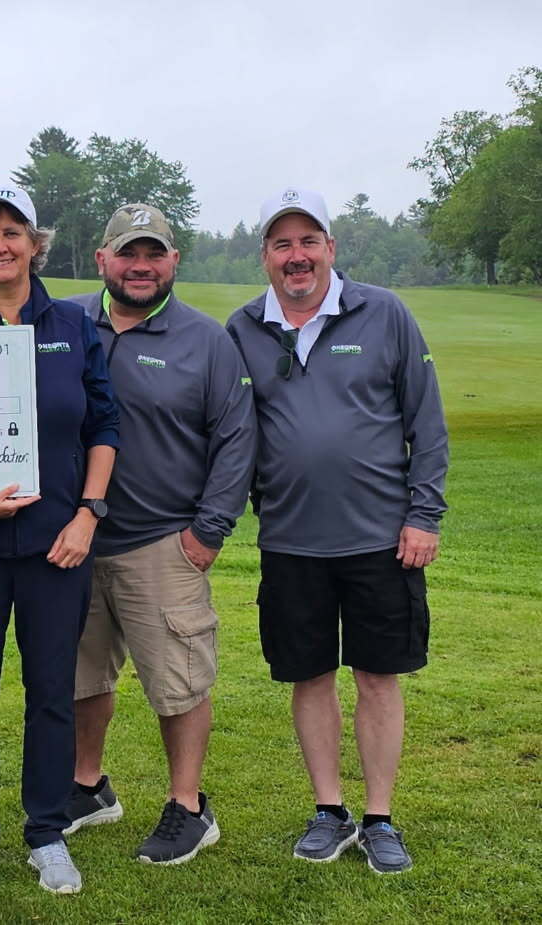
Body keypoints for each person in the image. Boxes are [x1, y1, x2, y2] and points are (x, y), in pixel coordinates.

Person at [226, 188, 448, 875]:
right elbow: (231, 433)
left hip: (382, 540)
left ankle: (379, 817)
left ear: (331, 247)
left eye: (308, 241)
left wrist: (423, 514)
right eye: (282, 244)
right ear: (265, 255)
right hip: (291, 541)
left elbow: (426, 422)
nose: (297, 256)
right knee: (310, 676)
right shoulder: (243, 328)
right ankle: (330, 810)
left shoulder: (384, 312)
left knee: (378, 677)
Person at [0, 185, 119, 896]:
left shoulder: (73, 324)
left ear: (37, 244)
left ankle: (47, 830)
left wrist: (88, 514)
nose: (0, 244)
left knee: (51, 693)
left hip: (56, 546)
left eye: (13, 232)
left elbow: (103, 425)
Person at [62, 204, 256, 865]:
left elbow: (236, 439)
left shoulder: (206, 340)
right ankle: (87, 787)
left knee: (179, 682)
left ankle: (188, 805)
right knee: (81, 675)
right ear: (102, 259)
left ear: (173, 261)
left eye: (153, 253)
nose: (140, 266)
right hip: (76, 539)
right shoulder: (65, 323)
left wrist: (208, 531)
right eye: (128, 253)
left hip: (163, 541)